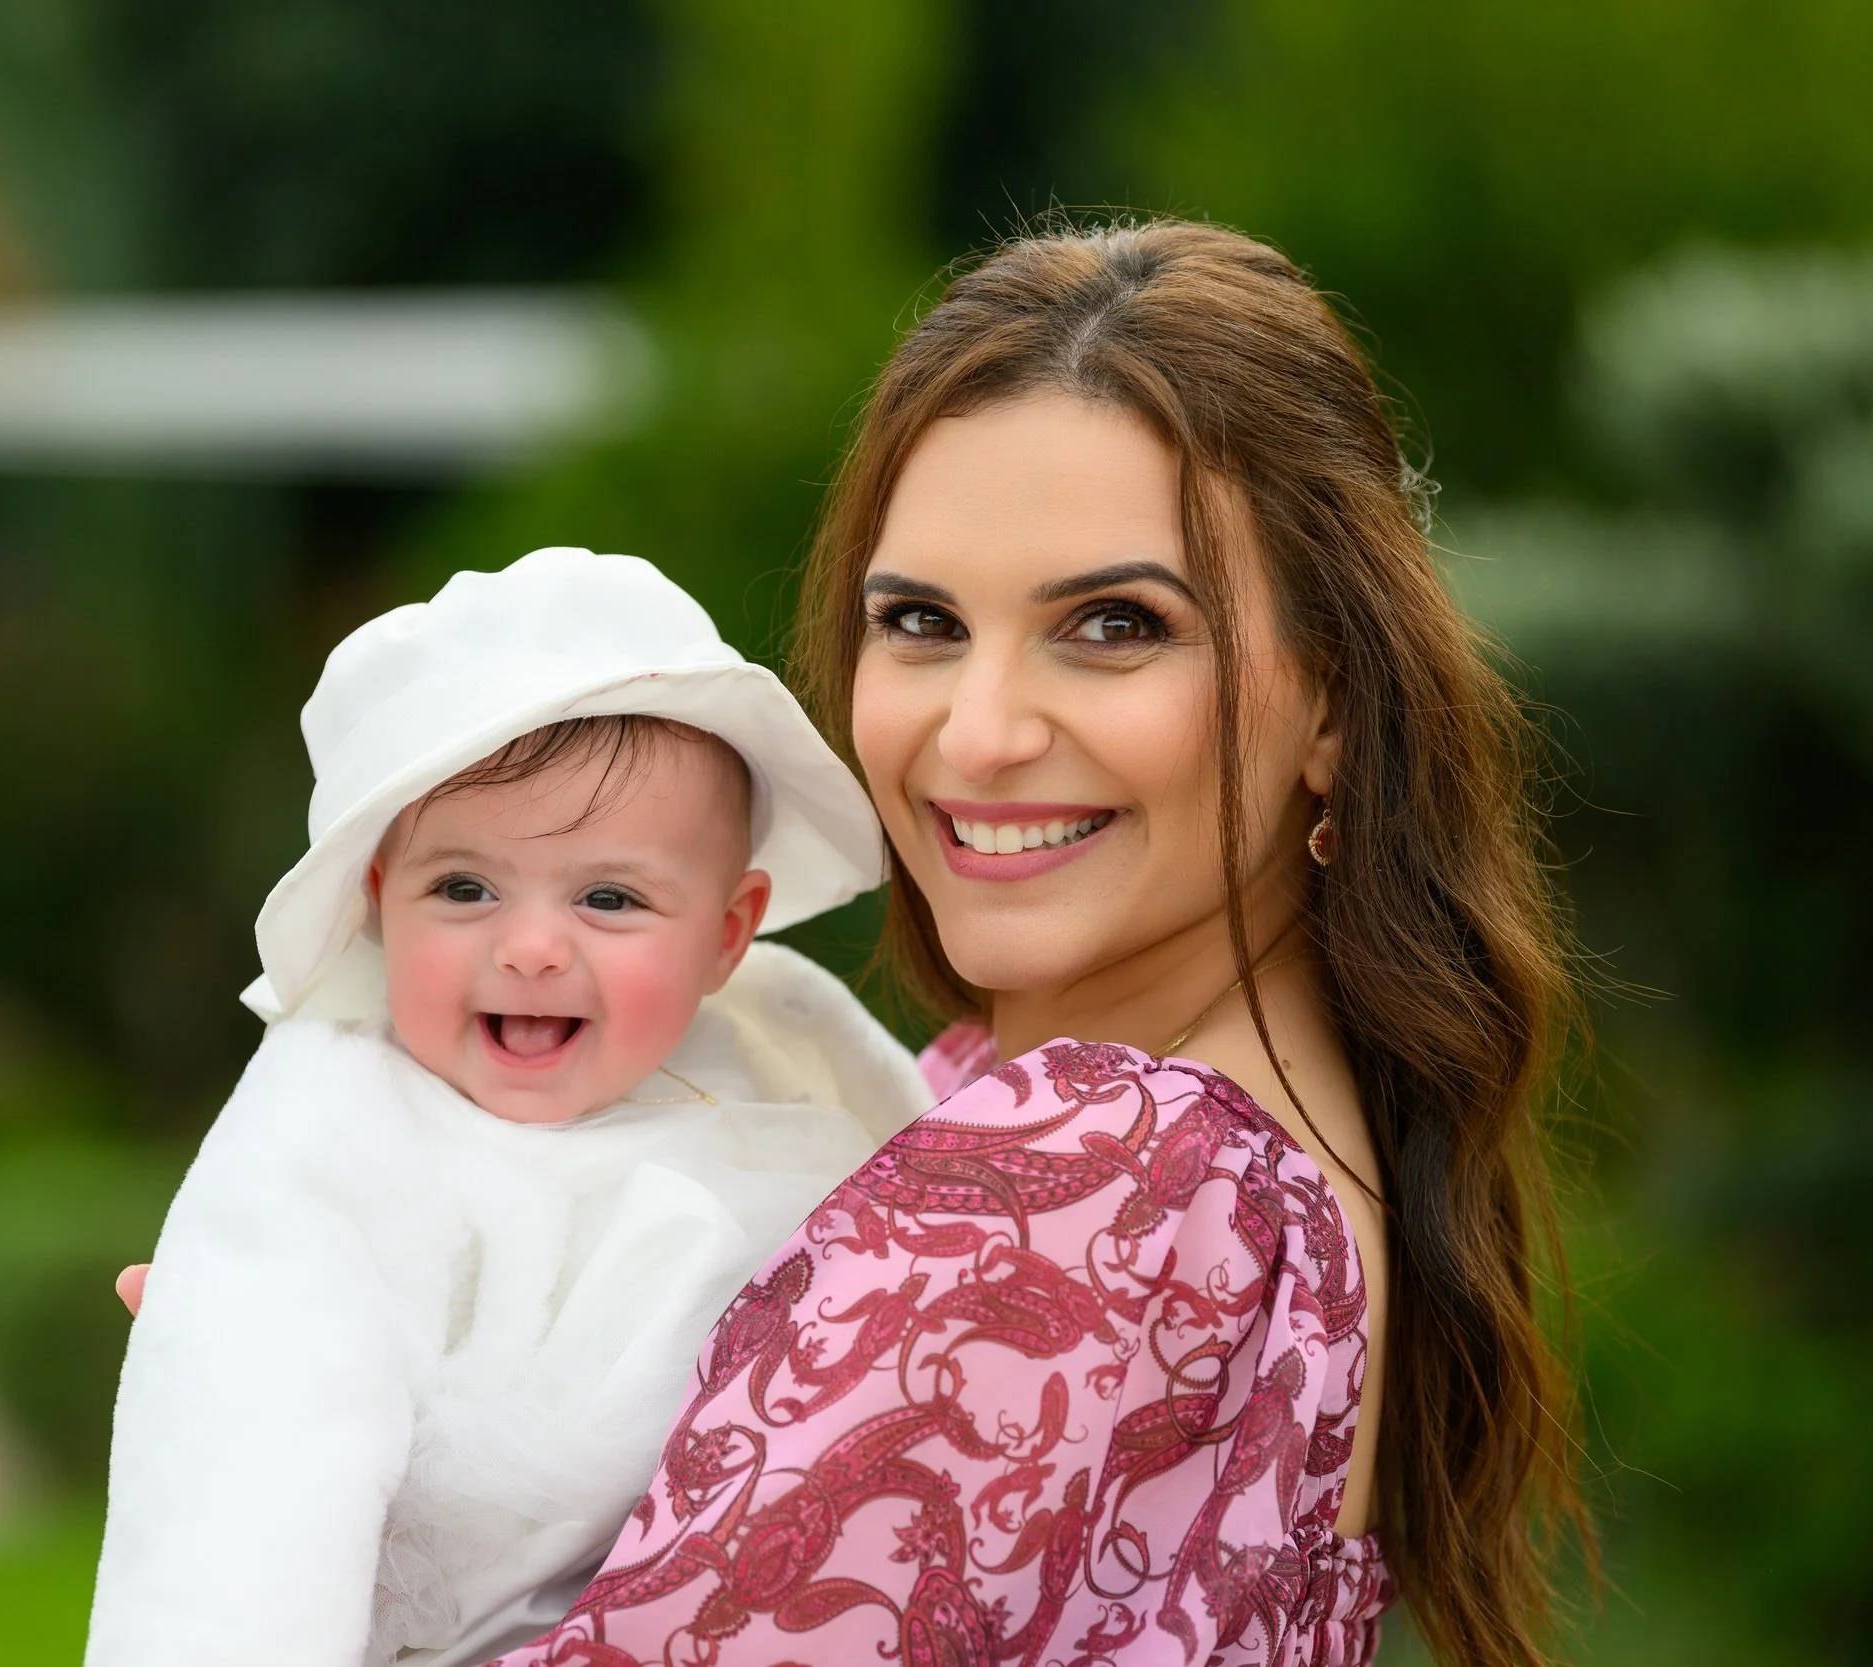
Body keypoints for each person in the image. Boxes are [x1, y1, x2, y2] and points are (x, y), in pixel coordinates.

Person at [122, 219, 1584, 1667]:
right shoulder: (1234, 1133)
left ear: (1332, 699)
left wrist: (310, 1475)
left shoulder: (1098, 1189)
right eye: (923, 620)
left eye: (1117, 625)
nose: (981, 730)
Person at [85, 548, 932, 1667]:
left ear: (727, 934)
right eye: (465, 888)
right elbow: (236, 1498)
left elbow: (929, 1204)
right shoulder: (327, 1130)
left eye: (609, 897)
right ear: (380, 902)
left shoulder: (784, 1034)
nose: (531, 948)